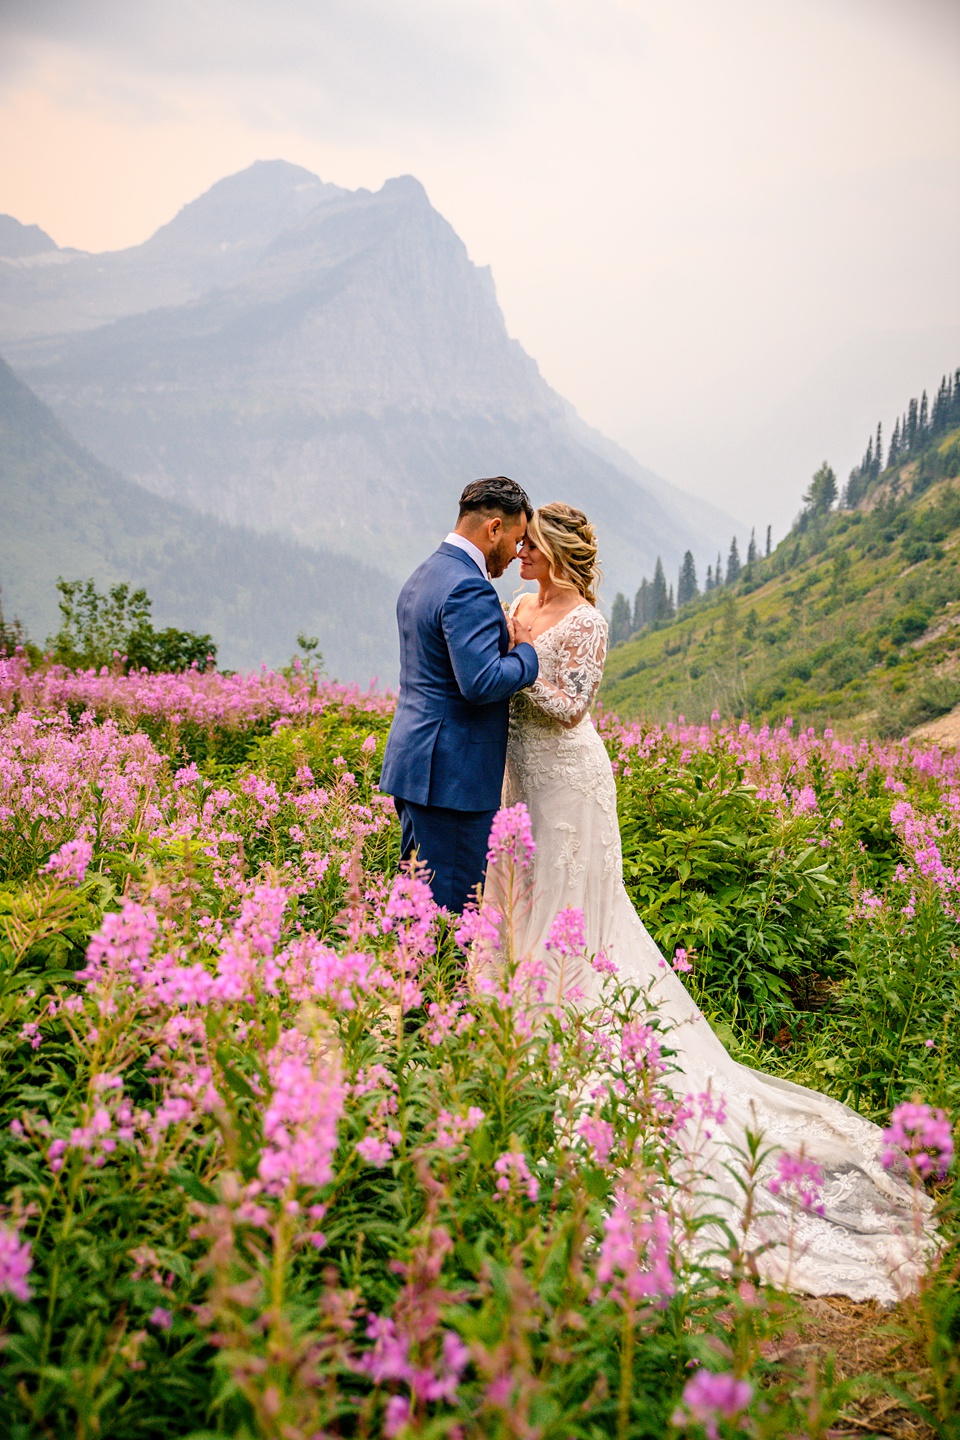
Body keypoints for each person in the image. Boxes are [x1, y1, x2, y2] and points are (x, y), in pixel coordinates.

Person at [494, 500, 930, 1303]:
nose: (517, 555)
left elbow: (570, 705)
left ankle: (577, 1045)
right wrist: (507, 658)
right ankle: (524, 1039)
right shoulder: (518, 605)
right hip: (521, 779)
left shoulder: (583, 619)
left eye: (527, 544)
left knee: (578, 911)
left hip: (572, 776)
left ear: (550, 548)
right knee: (524, 906)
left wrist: (520, 663)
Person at [380, 477, 540, 913]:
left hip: (418, 767)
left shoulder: (427, 573)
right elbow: (481, 682)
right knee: (448, 916)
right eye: (515, 539)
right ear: (493, 528)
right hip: (453, 780)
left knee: (417, 902)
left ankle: (403, 982)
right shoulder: (470, 587)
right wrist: (527, 654)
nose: (515, 552)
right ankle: (437, 984)